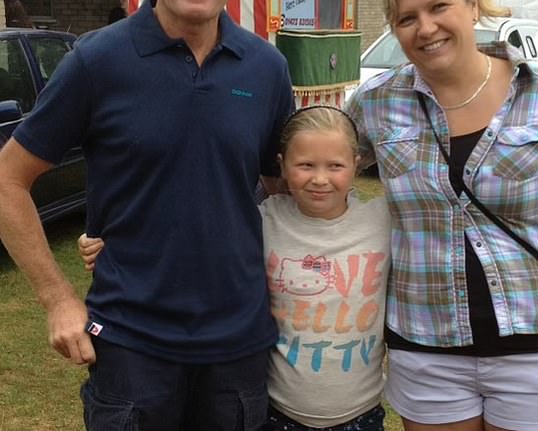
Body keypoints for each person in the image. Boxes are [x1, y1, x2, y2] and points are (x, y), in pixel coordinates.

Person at [0, 0, 294, 431]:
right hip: (131, 347)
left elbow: (282, 192)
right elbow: (8, 180)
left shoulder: (266, 68)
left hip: (238, 346)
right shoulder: (97, 61)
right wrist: (58, 298)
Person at [346, 0, 538, 431]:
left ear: (472, 5)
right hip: (426, 349)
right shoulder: (375, 102)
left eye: (439, 7)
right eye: (407, 19)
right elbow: (317, 163)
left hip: (537, 349)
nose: (425, 28)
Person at [80, 105, 392, 431]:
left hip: (362, 414)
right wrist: (116, 241)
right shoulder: (260, 221)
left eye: (335, 166)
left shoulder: (382, 221)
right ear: (282, 165)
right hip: (279, 414)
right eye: (305, 165)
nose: (320, 178)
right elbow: (189, 239)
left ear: (356, 165)